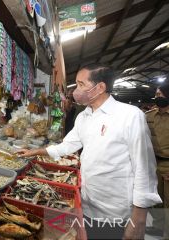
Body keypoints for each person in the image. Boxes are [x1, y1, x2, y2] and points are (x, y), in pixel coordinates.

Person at [17, 64, 161, 239]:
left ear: (100, 87)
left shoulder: (130, 116)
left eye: (81, 85)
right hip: (87, 203)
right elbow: (67, 145)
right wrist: (35, 151)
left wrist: (139, 217)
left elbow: (144, 167)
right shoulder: (84, 116)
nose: (75, 91)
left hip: (116, 210)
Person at [145, 83, 169, 237]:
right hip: (153, 164)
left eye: (160, 95)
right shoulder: (149, 116)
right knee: (156, 200)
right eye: (156, 95)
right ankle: (159, 227)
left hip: (168, 164)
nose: (157, 97)